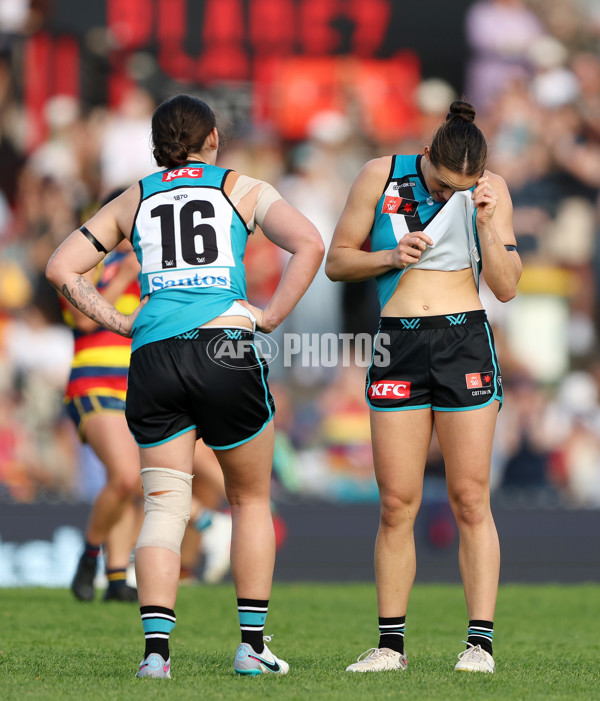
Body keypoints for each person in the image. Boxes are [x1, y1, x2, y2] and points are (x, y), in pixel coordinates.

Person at [46, 94, 324, 679]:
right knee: (249, 501)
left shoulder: (135, 195)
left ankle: (155, 657)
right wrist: (270, 315)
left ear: (155, 146)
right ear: (214, 139)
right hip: (223, 345)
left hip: (152, 355)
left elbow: (62, 268)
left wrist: (121, 321)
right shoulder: (239, 186)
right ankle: (251, 646)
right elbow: (310, 244)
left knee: (165, 506)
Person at [325, 100, 521, 674]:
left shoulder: (491, 190)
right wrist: (388, 255)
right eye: (439, 183)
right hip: (397, 342)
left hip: (464, 339)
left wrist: (485, 222)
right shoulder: (380, 174)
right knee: (395, 503)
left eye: (460, 188)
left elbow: (506, 288)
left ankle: (479, 644)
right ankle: (391, 646)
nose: (446, 195)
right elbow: (337, 261)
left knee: (470, 497)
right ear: (427, 154)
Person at [62, 227, 143, 603]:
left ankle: (116, 576)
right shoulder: (92, 264)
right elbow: (83, 320)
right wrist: (125, 274)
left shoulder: (153, 272)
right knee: (126, 476)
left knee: (129, 483)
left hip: (136, 390)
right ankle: (90, 555)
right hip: (94, 385)